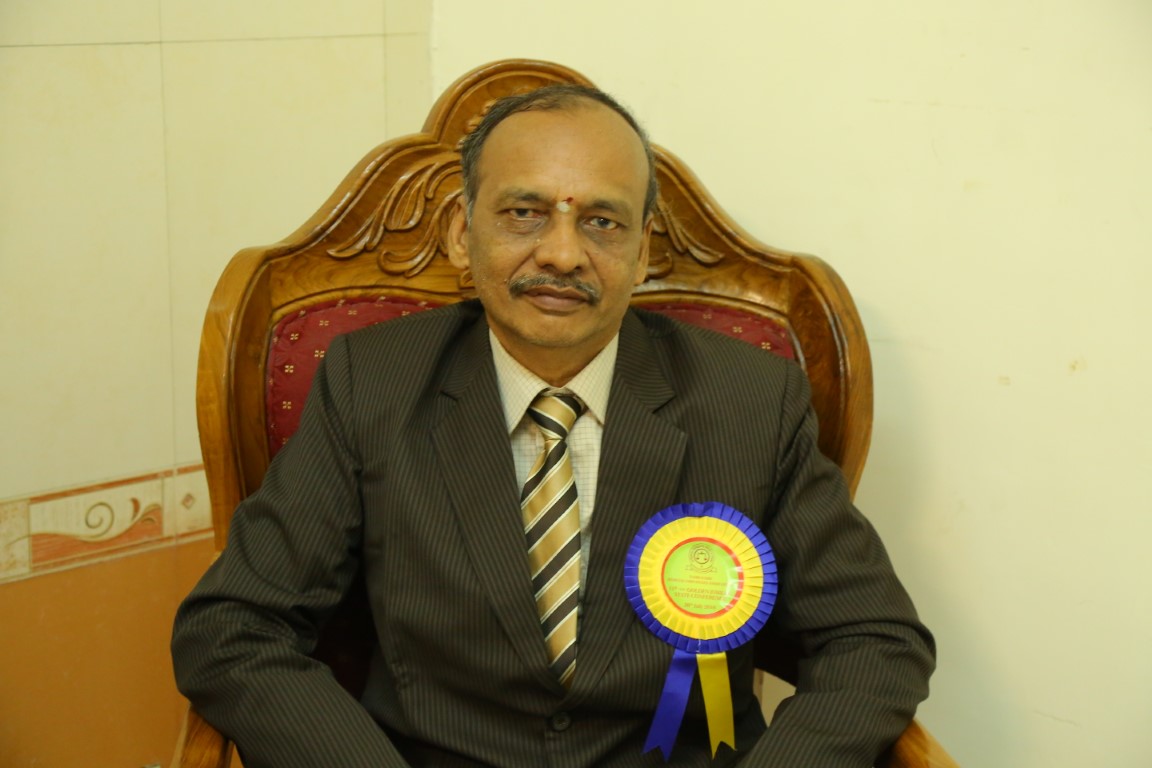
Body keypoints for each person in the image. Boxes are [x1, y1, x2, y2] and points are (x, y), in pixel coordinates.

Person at [172, 84, 935, 767]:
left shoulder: (749, 400)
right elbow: (234, 628)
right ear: (462, 234)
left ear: (642, 250)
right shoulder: (371, 384)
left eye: (602, 221)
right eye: (524, 213)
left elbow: (874, 640)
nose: (563, 253)